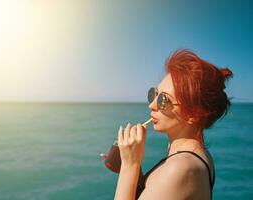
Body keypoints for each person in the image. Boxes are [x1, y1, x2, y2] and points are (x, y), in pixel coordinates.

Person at [100, 49, 233, 200]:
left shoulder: (180, 168)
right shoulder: (192, 153)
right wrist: (132, 165)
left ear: (192, 114)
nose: (152, 105)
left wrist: (129, 167)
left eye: (164, 100)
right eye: (155, 94)